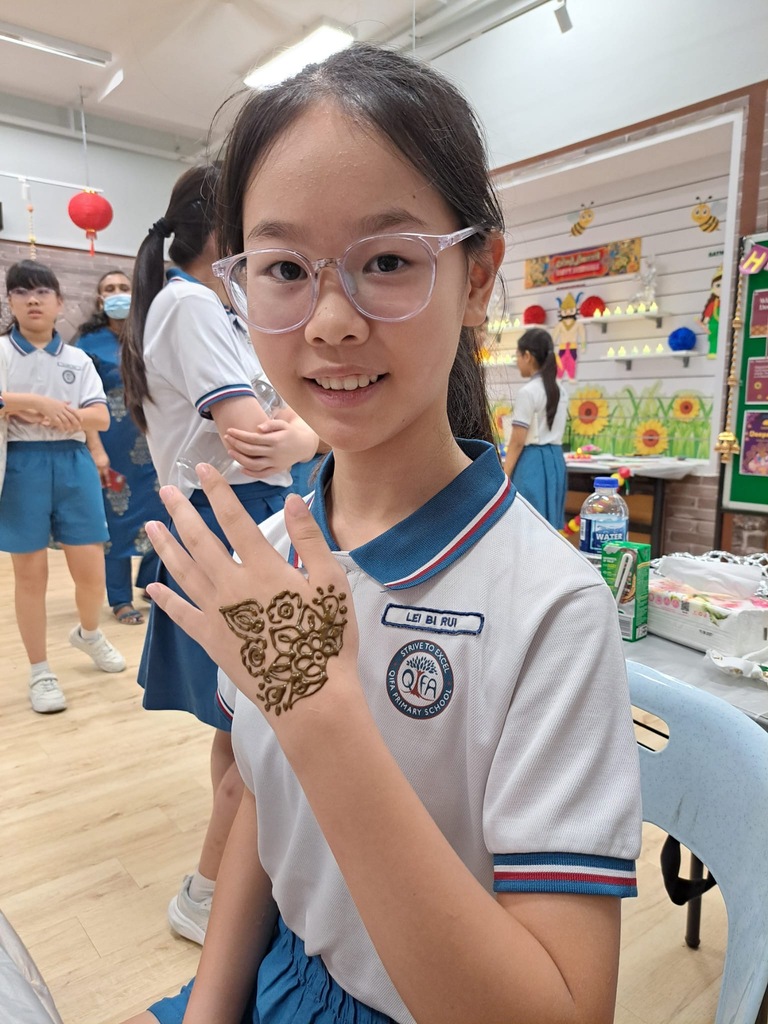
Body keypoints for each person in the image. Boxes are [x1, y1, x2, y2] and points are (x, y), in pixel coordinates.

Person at [120, 43, 641, 1024]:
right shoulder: (272, 549)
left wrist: (321, 716)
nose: (330, 321)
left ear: (478, 277)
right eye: (283, 268)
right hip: (279, 977)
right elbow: (262, 806)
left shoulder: (551, 608)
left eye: (389, 261)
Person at [121, 164, 319, 947]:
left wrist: (304, 431)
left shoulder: (216, 306)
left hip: (246, 519)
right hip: (231, 522)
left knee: (243, 725)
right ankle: (210, 893)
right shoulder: (191, 303)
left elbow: (295, 423)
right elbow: (258, 436)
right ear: (221, 229)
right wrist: (307, 432)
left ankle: (231, 882)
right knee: (260, 728)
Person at [0, 260, 126, 715]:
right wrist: (33, 402)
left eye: (41, 292)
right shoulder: (3, 352)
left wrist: (44, 412)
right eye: (21, 292)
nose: (32, 300)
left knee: (91, 571)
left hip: (74, 464)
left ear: (60, 302)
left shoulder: (77, 359)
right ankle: (40, 670)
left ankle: (89, 634)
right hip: (21, 464)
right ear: (10, 301)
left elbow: (100, 417)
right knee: (30, 575)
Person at [75, 270, 163, 625]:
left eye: (123, 287)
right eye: (109, 289)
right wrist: (95, 448)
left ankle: (152, 582)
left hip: (155, 441)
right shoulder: (88, 343)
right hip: (111, 443)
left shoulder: (150, 334)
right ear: (100, 299)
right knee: (116, 522)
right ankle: (120, 598)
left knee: (163, 514)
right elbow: (80, 399)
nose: (117, 293)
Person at [503, 327, 568, 529]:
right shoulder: (561, 390)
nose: (517, 361)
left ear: (528, 356)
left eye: (517, 355)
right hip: (555, 460)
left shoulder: (528, 392)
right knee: (550, 526)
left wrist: (504, 476)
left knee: (527, 525)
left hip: (531, 463)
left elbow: (517, 441)